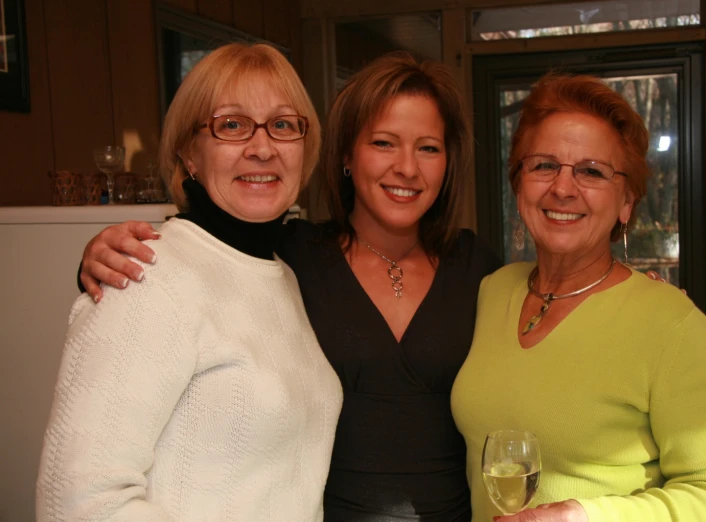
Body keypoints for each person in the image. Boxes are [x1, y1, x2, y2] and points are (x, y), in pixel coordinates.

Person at [71, 52, 503, 521]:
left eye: (429, 148)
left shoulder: (476, 265)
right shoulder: (290, 253)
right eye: (383, 142)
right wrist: (100, 254)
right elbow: (202, 253)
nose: (407, 168)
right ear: (345, 155)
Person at [36, 43, 342, 522]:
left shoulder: (283, 274)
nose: (262, 147)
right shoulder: (145, 273)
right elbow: (78, 502)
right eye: (232, 125)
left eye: (283, 125)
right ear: (189, 153)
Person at [450, 73, 706, 521]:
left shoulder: (673, 325)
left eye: (592, 171)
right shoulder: (492, 290)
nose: (563, 187)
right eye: (543, 165)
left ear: (627, 202)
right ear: (519, 186)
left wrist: (583, 516)